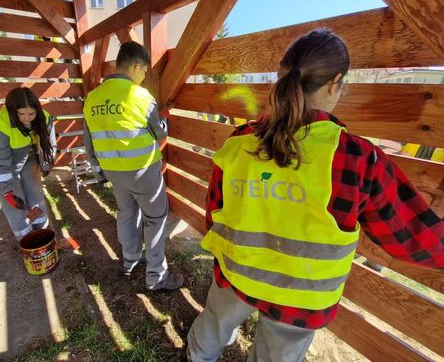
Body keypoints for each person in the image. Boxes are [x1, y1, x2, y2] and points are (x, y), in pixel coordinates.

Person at [186, 29, 444, 362]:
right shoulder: (357, 157)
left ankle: (195, 358)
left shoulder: (239, 140)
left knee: (214, 323)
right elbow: (411, 236)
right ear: (335, 83)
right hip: (299, 299)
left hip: (237, 273)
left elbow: (215, 210)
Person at [83, 41, 183, 291]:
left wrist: (98, 170)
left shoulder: (92, 98)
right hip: (143, 173)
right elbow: (160, 135)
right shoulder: (141, 97)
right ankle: (156, 276)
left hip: (114, 173)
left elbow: (89, 141)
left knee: (127, 213)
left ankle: (130, 260)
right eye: (145, 71)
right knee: (155, 219)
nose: (144, 76)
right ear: (136, 66)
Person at [0, 87, 56, 240]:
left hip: (28, 152)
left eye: (31, 113)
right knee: (15, 201)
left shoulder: (45, 118)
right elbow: (0, 164)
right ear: (12, 110)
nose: (27, 118)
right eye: (21, 114)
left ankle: (42, 230)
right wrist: (7, 190)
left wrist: (47, 163)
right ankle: (25, 237)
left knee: (35, 191)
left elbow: (50, 144)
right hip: (2, 161)